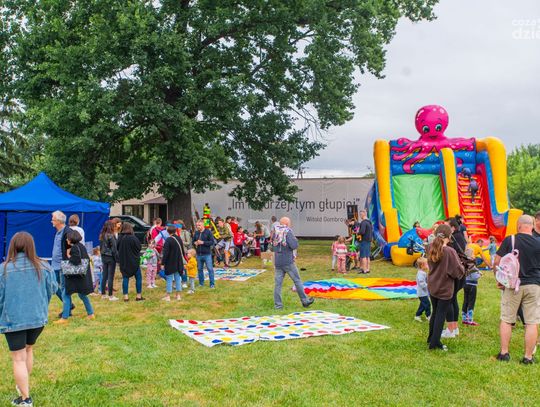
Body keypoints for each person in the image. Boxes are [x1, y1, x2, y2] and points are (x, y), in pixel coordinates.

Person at [0, 232, 58, 407]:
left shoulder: (4, 269)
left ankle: (25, 399)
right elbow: (53, 289)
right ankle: (23, 389)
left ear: (12, 246)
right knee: (28, 350)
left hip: (13, 320)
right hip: (37, 318)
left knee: (18, 358)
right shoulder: (44, 266)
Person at [494, 215, 540, 364]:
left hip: (513, 284)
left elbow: (497, 261)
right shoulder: (538, 242)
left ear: (518, 225)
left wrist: (499, 279)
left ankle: (504, 353)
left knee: (507, 319)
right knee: (531, 322)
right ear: (532, 226)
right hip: (534, 285)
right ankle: (528, 357)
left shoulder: (510, 240)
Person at [426, 224, 465, 351]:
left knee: (435, 312)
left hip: (433, 284)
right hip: (444, 287)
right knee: (440, 314)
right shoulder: (449, 251)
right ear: (449, 236)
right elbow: (457, 271)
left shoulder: (430, 247)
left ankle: (431, 338)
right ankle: (435, 342)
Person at [272, 217, 314, 309]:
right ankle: (305, 301)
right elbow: (294, 245)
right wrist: (295, 240)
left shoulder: (275, 232)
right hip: (288, 261)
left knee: (278, 284)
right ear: (287, 224)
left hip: (278, 261)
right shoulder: (288, 232)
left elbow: (273, 246)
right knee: (297, 280)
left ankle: (278, 305)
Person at [55, 230, 95, 324]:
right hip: (81, 277)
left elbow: (76, 261)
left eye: (68, 238)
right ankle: (91, 314)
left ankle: (64, 318)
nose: (66, 240)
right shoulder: (81, 246)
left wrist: (68, 256)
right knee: (82, 295)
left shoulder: (74, 248)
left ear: (71, 239)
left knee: (65, 295)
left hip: (74, 278)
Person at [441, 217, 468, 339]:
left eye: (446, 226)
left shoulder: (453, 239)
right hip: (459, 273)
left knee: (449, 300)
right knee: (453, 299)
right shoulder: (460, 237)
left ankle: (450, 329)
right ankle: (454, 328)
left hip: (454, 274)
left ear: (452, 227)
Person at [117, 223, 144, 302]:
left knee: (125, 278)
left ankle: (126, 297)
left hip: (124, 261)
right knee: (138, 278)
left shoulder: (120, 238)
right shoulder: (133, 238)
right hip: (134, 261)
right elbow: (139, 247)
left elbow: (117, 248)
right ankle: (138, 296)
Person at [51, 210, 71, 309]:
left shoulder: (67, 232)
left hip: (62, 264)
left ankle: (67, 309)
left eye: (53, 219)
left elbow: (70, 249)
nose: (51, 221)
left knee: (64, 288)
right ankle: (69, 305)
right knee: (52, 284)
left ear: (59, 221)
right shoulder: (58, 232)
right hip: (54, 264)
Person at [161, 225, 186, 301]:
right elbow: (183, 251)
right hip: (178, 262)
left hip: (170, 262)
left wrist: (162, 263)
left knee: (169, 279)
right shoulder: (179, 238)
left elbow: (165, 253)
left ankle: (168, 296)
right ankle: (178, 296)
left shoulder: (168, 240)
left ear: (168, 232)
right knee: (178, 278)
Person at [99, 220, 119, 301]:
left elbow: (101, 247)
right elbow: (114, 249)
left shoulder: (102, 235)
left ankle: (103, 294)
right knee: (110, 276)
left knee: (104, 276)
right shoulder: (111, 235)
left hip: (104, 257)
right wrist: (117, 258)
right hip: (110, 257)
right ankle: (110, 295)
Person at [461, 248, 482, 326]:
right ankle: (470, 319)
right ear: (470, 255)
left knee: (465, 300)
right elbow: (474, 276)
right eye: (473, 253)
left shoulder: (465, 263)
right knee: (471, 302)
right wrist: (479, 274)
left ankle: (464, 318)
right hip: (472, 285)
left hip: (466, 284)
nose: (474, 255)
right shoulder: (471, 264)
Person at [193, 219, 216, 288]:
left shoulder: (208, 232)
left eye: (199, 225)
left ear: (203, 225)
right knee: (199, 269)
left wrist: (203, 242)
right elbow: (193, 241)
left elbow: (212, 242)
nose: (198, 226)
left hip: (207, 254)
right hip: (198, 254)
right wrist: (195, 243)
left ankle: (212, 284)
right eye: (197, 225)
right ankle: (201, 283)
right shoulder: (196, 233)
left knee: (210, 269)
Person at [414, 257, 431, 322]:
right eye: (427, 264)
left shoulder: (422, 272)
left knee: (423, 305)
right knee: (427, 304)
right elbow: (422, 283)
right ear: (422, 265)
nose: (428, 265)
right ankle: (428, 316)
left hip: (424, 293)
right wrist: (428, 286)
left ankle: (417, 315)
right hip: (422, 293)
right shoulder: (421, 273)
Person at [357, 210, 373, 274]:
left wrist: (358, 232)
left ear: (363, 214)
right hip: (369, 240)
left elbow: (362, 231)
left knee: (363, 256)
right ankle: (368, 269)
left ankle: (364, 270)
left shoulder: (363, 222)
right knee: (367, 256)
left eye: (360, 215)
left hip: (364, 240)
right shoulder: (369, 222)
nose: (360, 216)